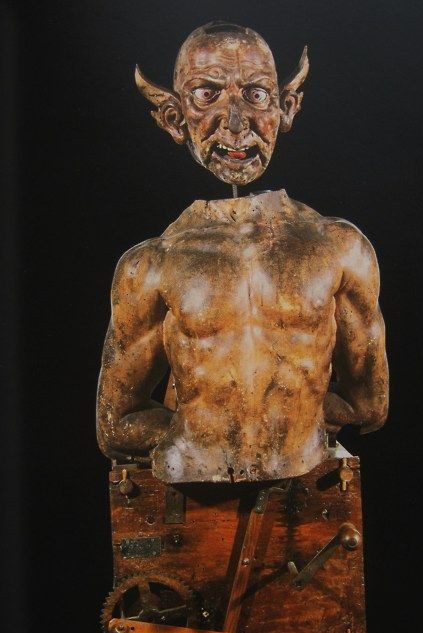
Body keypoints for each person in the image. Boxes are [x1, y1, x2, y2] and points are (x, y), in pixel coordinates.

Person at [96, 21, 389, 483]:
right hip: (200, 481)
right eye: (206, 95)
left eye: (256, 95)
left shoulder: (341, 250)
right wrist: (273, 425)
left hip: (292, 480)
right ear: (173, 117)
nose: (235, 123)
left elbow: (369, 405)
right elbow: (115, 424)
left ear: (286, 107)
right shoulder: (149, 267)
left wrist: (220, 430)